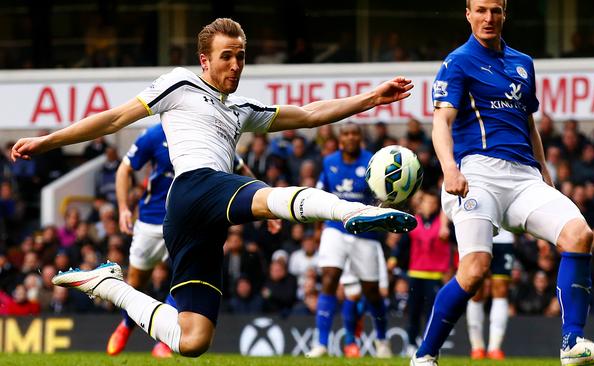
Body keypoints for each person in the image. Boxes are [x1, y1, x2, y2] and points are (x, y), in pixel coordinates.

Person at [12, 18, 416, 358]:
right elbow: (114, 118)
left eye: (241, 55)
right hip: (193, 187)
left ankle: (109, 285)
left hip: (197, 223)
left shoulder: (241, 111)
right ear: (204, 59)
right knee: (267, 195)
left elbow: (310, 114)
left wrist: (370, 99)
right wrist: (48, 141)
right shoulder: (181, 84)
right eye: (227, 56)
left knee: (193, 339)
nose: (236, 64)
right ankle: (352, 212)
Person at [410, 2, 594, 366]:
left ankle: (572, 344)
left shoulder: (524, 62)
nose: (488, 18)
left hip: (524, 177)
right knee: (475, 270)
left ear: (505, 13)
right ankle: (425, 356)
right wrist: (449, 168)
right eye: (481, 10)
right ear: (467, 13)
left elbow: (528, 123)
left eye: (495, 10)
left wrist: (544, 169)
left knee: (579, 233)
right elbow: (441, 123)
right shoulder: (457, 62)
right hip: (476, 174)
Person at [306, 123, 392, 359]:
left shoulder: (373, 162)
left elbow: (382, 198)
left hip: (365, 232)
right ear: (340, 139)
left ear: (360, 138)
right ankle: (321, 343)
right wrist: (316, 229)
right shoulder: (329, 161)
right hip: (335, 228)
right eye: (346, 134)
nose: (351, 137)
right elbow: (320, 195)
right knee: (330, 278)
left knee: (372, 291)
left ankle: (382, 340)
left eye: (355, 133)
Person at [106, 123, 176, 358]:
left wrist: (265, 201)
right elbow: (124, 169)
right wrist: (124, 207)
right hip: (152, 220)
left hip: (188, 220)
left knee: (187, 278)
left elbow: (238, 165)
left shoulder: (206, 129)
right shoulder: (156, 134)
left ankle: (166, 340)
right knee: (137, 281)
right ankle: (127, 324)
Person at [387, 190, 452, 357]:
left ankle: (429, 345)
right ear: (421, 205)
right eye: (426, 203)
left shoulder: (443, 225)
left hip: (435, 276)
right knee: (414, 311)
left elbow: (452, 246)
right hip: (416, 274)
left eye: (432, 203)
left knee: (432, 313)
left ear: (437, 206)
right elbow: (402, 245)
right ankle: (410, 343)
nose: (429, 206)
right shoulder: (414, 223)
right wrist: (393, 258)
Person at [466, 229, 515, 360]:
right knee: (476, 290)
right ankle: (477, 347)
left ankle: (495, 348)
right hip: (477, 239)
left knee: (501, 289)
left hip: (504, 239)